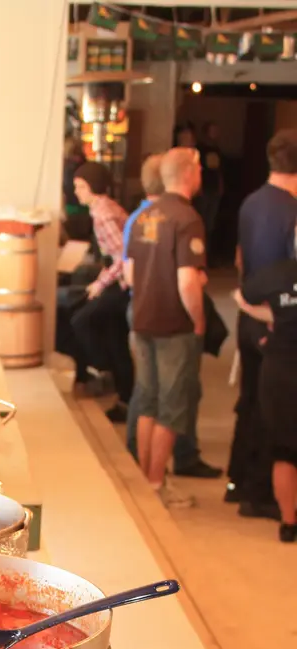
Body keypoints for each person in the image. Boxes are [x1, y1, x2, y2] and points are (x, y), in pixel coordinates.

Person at [124, 154, 221, 480]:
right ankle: (154, 482)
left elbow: (129, 272)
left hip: (142, 318)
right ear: (190, 174)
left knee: (148, 401)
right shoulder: (187, 218)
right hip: (173, 325)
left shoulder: (143, 216)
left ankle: (144, 479)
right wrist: (198, 319)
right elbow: (186, 280)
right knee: (172, 406)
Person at [227, 129, 297, 519]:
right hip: (278, 321)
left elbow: (240, 258)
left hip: (247, 311)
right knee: (280, 411)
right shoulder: (292, 210)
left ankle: (239, 481)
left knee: (251, 400)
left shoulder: (251, 203)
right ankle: (264, 493)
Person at [234, 260, 297, 542]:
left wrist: (269, 315)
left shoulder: (277, 273)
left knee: (284, 451)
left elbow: (241, 296)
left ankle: (288, 522)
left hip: (280, 371)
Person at [65, 161, 133, 423]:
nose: (77, 192)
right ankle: (123, 396)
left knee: (82, 320)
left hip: (121, 281)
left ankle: (102, 372)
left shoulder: (103, 214)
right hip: (120, 278)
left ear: (93, 187)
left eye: (81, 187)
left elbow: (122, 256)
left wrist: (100, 284)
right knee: (115, 337)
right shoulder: (104, 208)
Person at [196, 121, 224, 258]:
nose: (216, 134)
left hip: (214, 189)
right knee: (203, 223)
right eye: (213, 130)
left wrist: (220, 185)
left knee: (211, 223)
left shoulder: (217, 149)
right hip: (205, 189)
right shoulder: (200, 149)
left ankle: (209, 255)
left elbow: (219, 171)